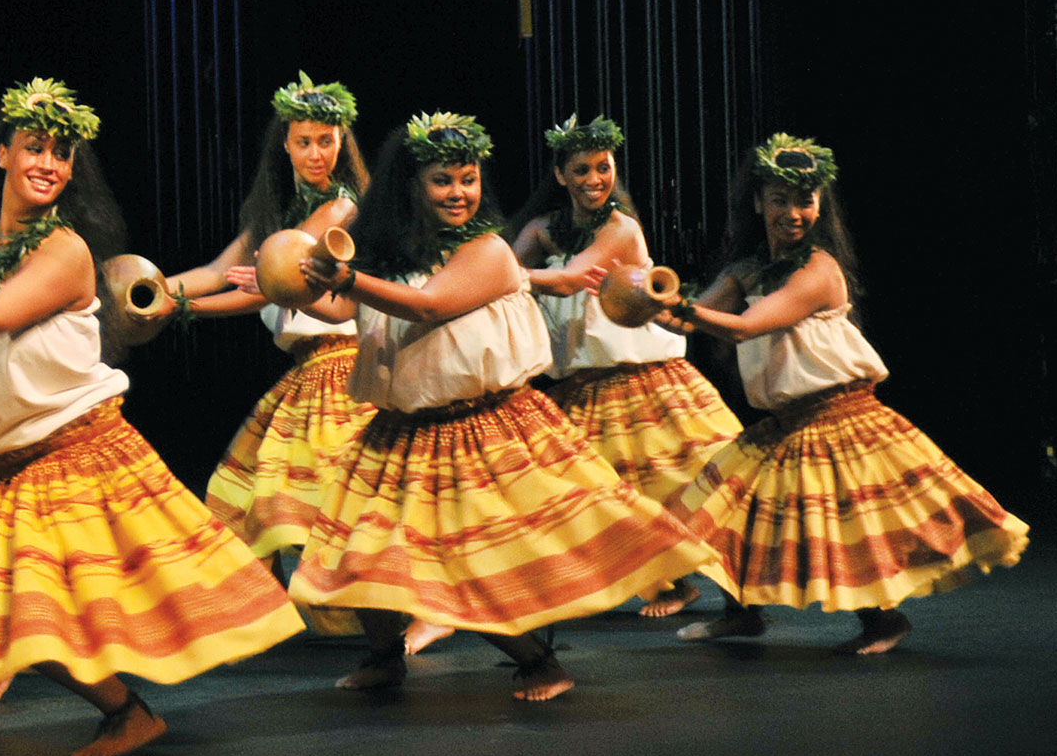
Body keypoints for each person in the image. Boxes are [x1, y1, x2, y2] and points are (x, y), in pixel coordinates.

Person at [0, 78, 305, 756]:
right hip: (0, 460)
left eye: (62, 152)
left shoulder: (65, 250)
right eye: (35, 147)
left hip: (70, 452)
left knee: (24, 607)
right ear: (6, 155)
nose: (48, 161)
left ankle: (127, 712)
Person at [288, 112, 727, 701]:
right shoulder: (390, 254)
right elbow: (349, 313)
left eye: (468, 179)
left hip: (476, 427)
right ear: (412, 187)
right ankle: (384, 654)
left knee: (471, 558)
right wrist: (303, 287)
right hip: (400, 429)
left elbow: (428, 306)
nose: (459, 193)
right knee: (360, 550)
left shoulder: (487, 251)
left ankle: (540, 662)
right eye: (443, 180)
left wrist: (345, 276)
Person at [639, 132, 1029, 653]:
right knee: (727, 511)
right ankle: (741, 614)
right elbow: (685, 325)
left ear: (820, 205)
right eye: (780, 200)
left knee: (848, 525)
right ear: (758, 203)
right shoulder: (747, 270)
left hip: (838, 417)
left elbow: (743, 328)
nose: (794, 213)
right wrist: (645, 301)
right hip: (786, 421)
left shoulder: (819, 271)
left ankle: (884, 622)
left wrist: (683, 309)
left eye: (805, 200)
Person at [163, 73, 374, 636]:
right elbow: (214, 272)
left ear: (342, 141)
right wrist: (153, 291)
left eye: (326, 140)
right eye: (303, 141)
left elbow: (260, 284)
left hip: (344, 369)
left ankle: (386, 608)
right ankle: (344, 612)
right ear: (285, 144)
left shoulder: (340, 208)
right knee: (267, 498)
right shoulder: (275, 216)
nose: (314, 153)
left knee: (327, 499)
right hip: (306, 372)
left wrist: (182, 310)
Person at [509, 114, 742, 620]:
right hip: (582, 389)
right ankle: (668, 585)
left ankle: (737, 599)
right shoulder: (542, 230)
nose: (594, 180)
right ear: (560, 176)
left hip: (645, 381)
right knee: (596, 496)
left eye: (603, 167)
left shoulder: (621, 229)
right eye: (581, 170)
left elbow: (569, 280)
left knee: (686, 484)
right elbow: (511, 268)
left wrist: (489, 273)